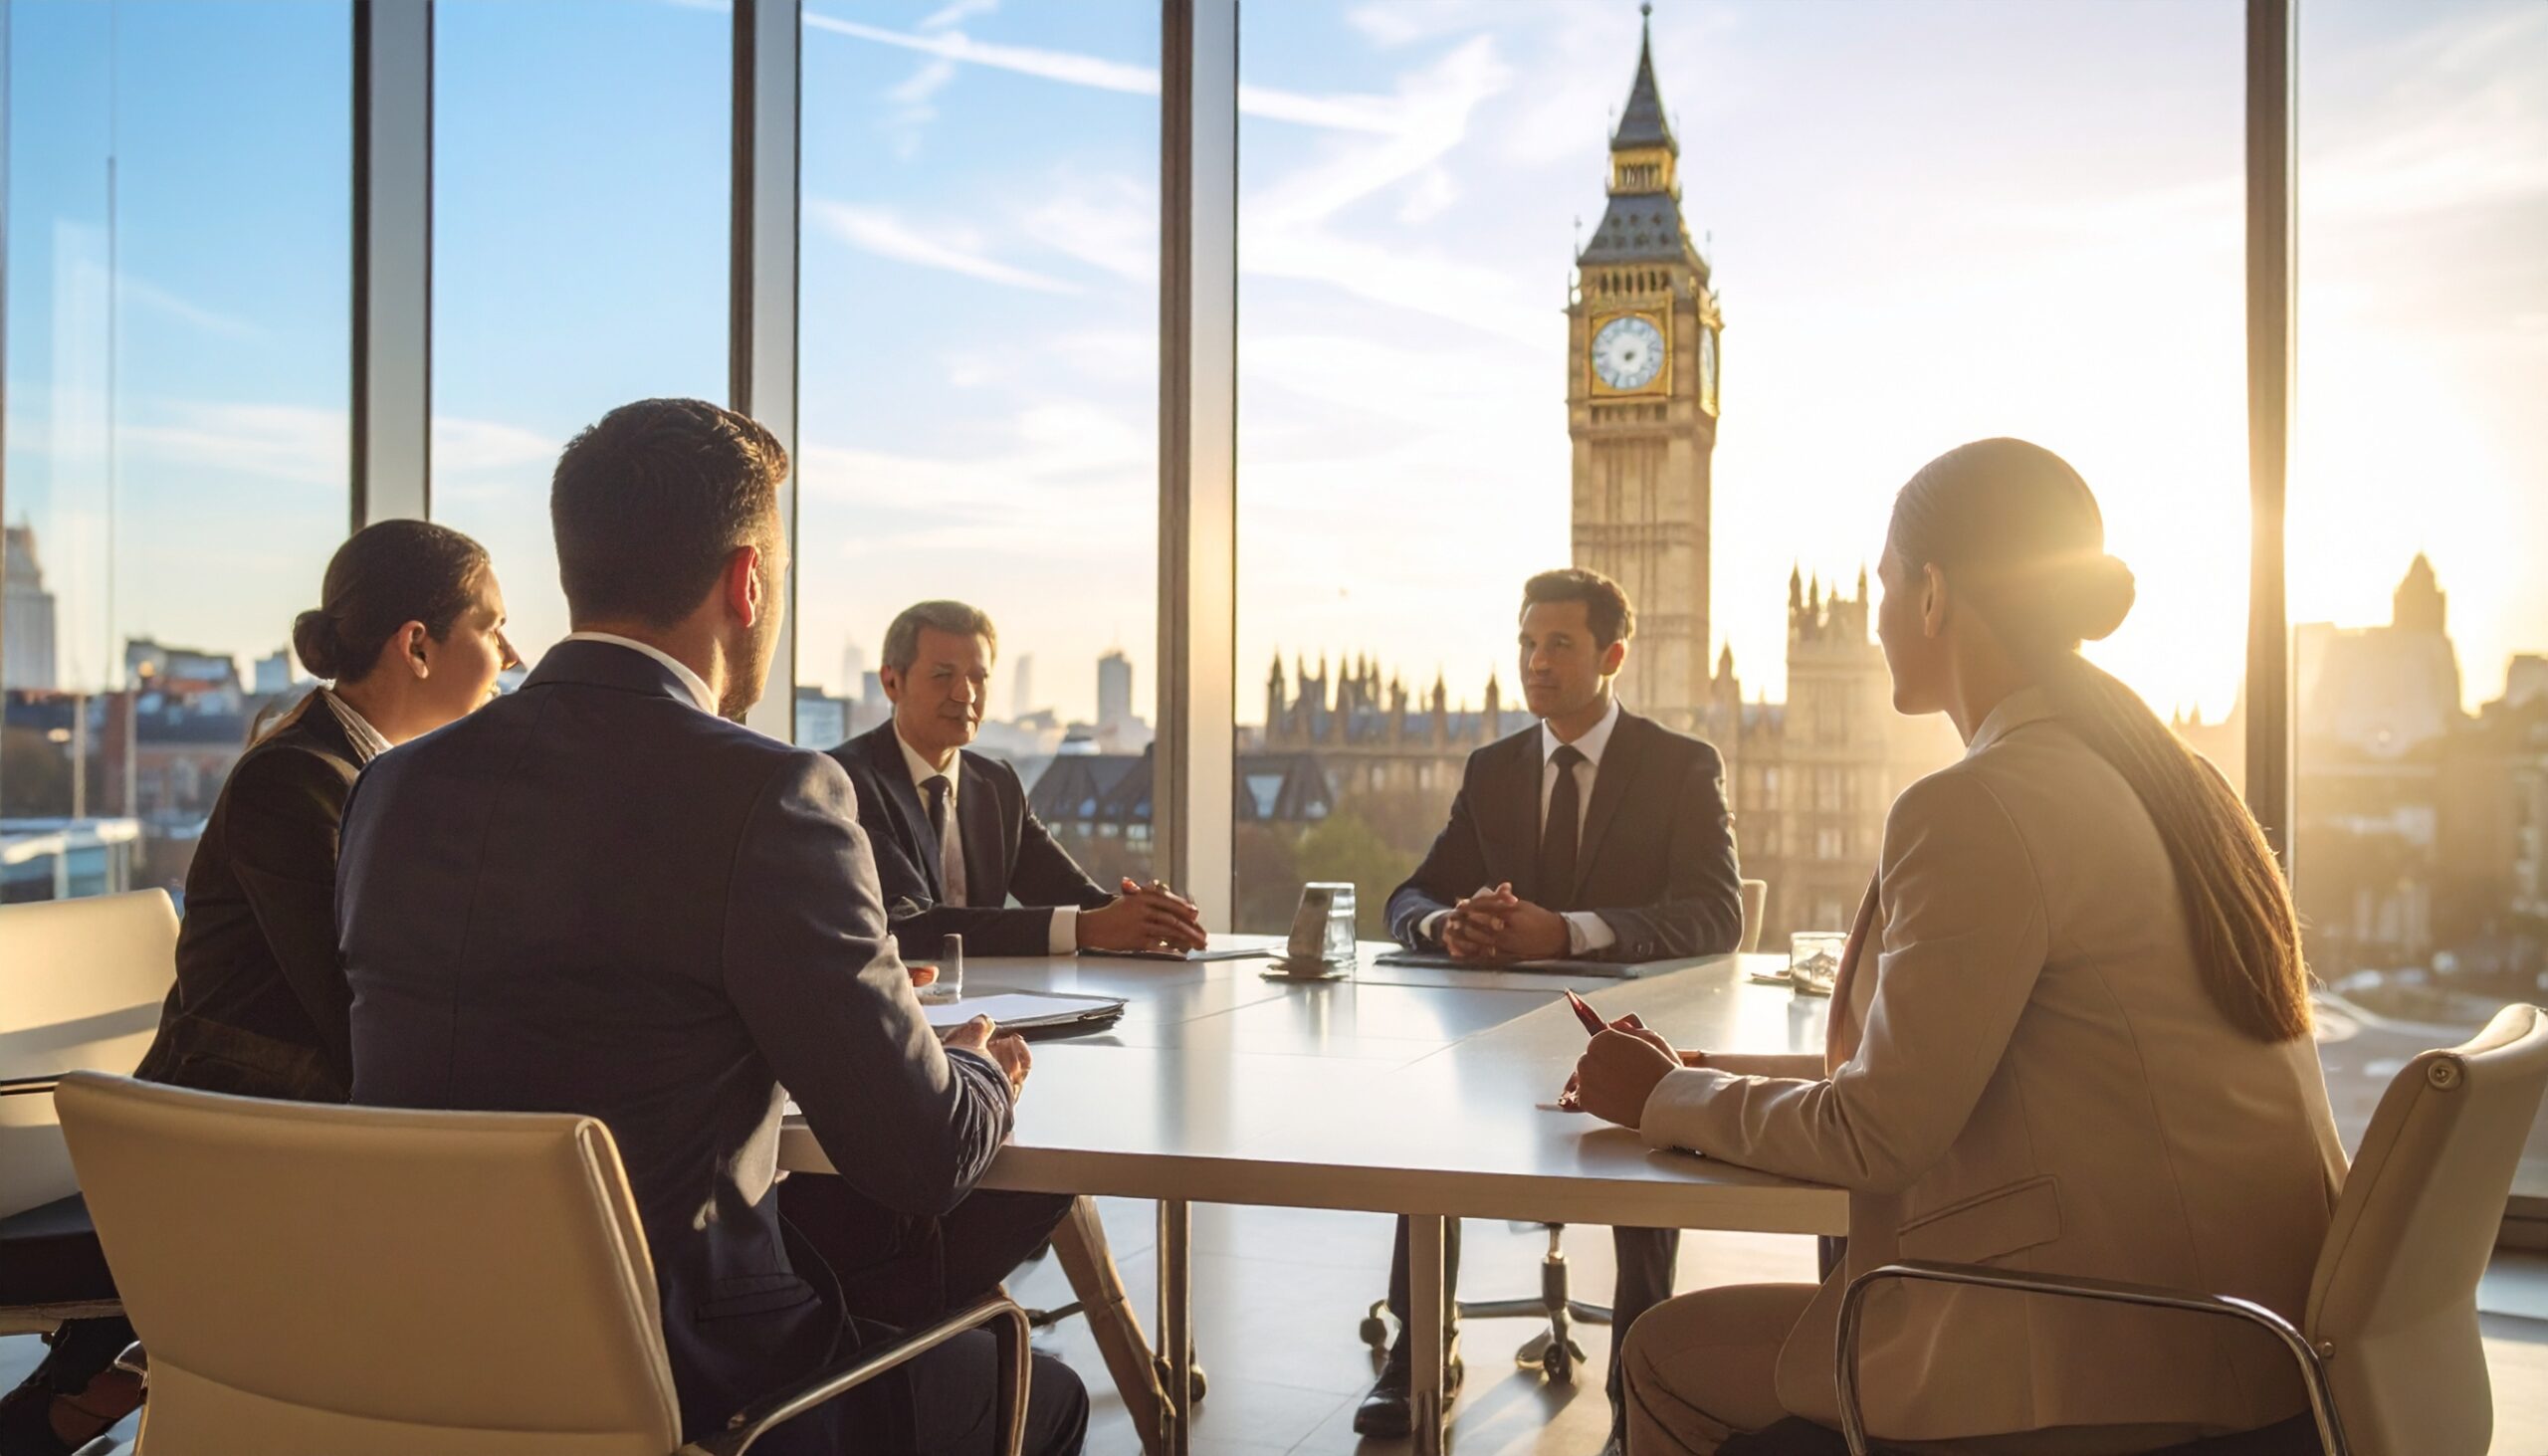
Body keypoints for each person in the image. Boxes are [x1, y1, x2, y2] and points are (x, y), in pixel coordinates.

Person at [337, 399, 1086, 1456]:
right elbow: (921, 1157)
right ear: (746, 583)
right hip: (690, 1384)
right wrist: (980, 1070)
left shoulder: (390, 786)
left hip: (420, 1361)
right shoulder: (772, 795)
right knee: (1035, 1389)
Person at [1579, 439, 2345, 1456]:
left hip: (2108, 1361)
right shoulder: (2169, 777)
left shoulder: (1977, 803)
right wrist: (1704, 1074)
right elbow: (1950, 1074)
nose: (1880, 614)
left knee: (1662, 1351)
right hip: (2246, 1337)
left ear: (1934, 594)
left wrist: (1660, 1100)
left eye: (1887, 584)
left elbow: (1877, 1135)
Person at [0, 520, 516, 1456]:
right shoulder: (299, 779)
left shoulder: (366, 772)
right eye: (496, 627)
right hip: (229, 1138)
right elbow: (356, 1002)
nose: (513, 655)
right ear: (419, 644)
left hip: (265, 1128)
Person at [1360, 567, 1745, 1451]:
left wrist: (1565, 932)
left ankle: (1639, 1389)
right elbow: (1410, 892)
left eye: (1559, 644)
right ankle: (1418, 1347)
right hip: (1494, 1038)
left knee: (1654, 1152)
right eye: (1528, 642)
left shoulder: (1680, 765)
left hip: (1628, 1030)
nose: (1537, 661)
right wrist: (1443, 924)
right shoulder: (1493, 769)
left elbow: (1716, 914)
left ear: (1612, 655)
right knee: (1430, 1143)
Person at [827, 599, 1208, 960]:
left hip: (995, 1008)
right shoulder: (841, 781)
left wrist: (1147, 916)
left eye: (979, 677)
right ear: (891, 682)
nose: (966, 694)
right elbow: (907, 925)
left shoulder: (997, 785)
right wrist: (1088, 927)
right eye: (943, 676)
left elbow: (1074, 899)